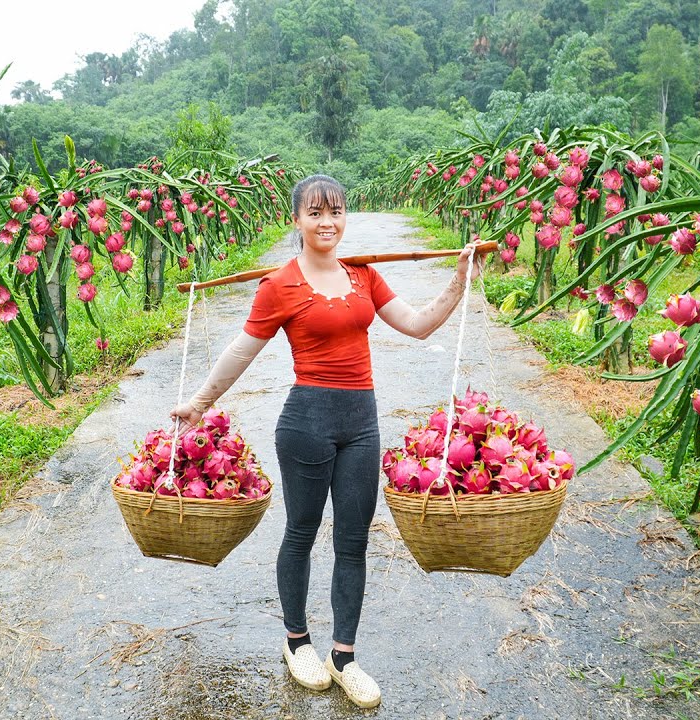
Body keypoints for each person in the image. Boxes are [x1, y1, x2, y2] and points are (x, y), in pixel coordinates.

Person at [170, 174, 483, 709]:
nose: (327, 222)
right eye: (315, 213)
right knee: (301, 531)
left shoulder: (364, 277)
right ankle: (298, 642)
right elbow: (241, 352)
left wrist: (458, 281)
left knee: (354, 539)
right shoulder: (280, 285)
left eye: (335, 211)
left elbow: (418, 324)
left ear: (345, 217)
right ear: (297, 221)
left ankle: (345, 657)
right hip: (306, 421)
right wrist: (199, 403)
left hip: (361, 422)